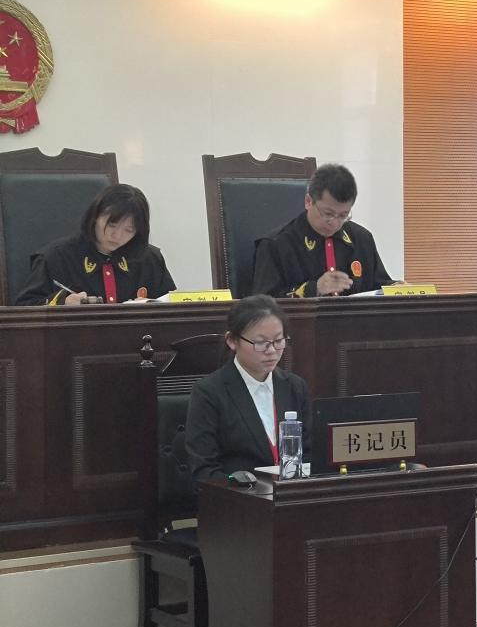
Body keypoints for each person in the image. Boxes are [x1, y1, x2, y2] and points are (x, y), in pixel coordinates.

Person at [186, 294, 311, 482]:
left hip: (292, 493)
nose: (271, 351)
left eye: (278, 341)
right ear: (232, 340)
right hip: (240, 495)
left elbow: (310, 453)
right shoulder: (209, 392)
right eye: (260, 343)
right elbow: (203, 470)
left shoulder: (295, 386)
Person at [15, 184, 176, 305]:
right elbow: (23, 308)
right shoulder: (56, 257)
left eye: (129, 230)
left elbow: (174, 307)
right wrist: (62, 302)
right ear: (95, 216)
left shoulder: (150, 259)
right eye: (112, 225)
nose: (117, 236)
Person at [251, 163, 395, 297]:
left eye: (343, 215)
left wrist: (399, 288)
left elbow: (380, 287)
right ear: (308, 202)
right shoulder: (276, 245)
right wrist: (314, 289)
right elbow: (263, 304)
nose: (335, 223)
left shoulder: (362, 239)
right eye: (328, 214)